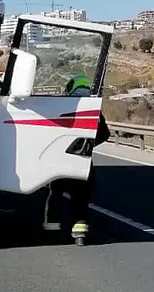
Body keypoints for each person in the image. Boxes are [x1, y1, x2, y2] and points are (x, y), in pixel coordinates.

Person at [42, 72, 110, 245]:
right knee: (80, 198)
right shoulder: (93, 109)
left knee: (55, 194)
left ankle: (52, 230)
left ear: (71, 88)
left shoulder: (63, 106)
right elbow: (104, 134)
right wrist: (87, 146)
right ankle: (79, 233)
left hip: (60, 160)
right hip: (83, 162)